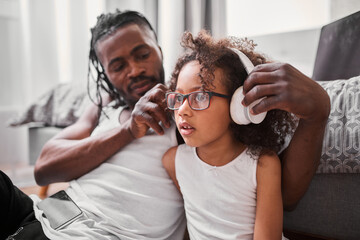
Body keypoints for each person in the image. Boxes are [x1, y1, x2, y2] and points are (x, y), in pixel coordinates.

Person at [0, 9, 330, 239]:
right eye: (118, 65)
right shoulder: (103, 105)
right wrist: (127, 130)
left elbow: (281, 194)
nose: (134, 70)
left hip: (88, 233)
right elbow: (44, 168)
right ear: (105, 74)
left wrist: (315, 116)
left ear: (158, 49)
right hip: (44, 211)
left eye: (142, 54)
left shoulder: (188, 112)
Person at [162, 30, 296, 239]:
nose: (182, 110)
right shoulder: (173, 162)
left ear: (239, 104)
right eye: (178, 98)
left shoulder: (262, 165)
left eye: (199, 96)